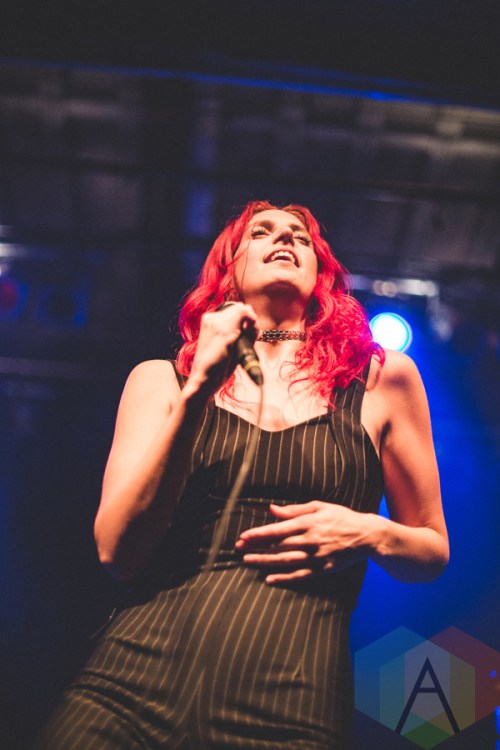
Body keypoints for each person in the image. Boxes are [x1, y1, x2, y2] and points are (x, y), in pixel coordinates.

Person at [36, 200, 449, 749]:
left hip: (292, 703)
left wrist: (368, 532)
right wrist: (197, 394)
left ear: (321, 272)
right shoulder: (162, 380)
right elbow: (117, 551)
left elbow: (432, 549)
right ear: (229, 271)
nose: (285, 238)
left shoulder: (380, 380)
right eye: (262, 231)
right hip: (128, 689)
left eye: (301, 235)